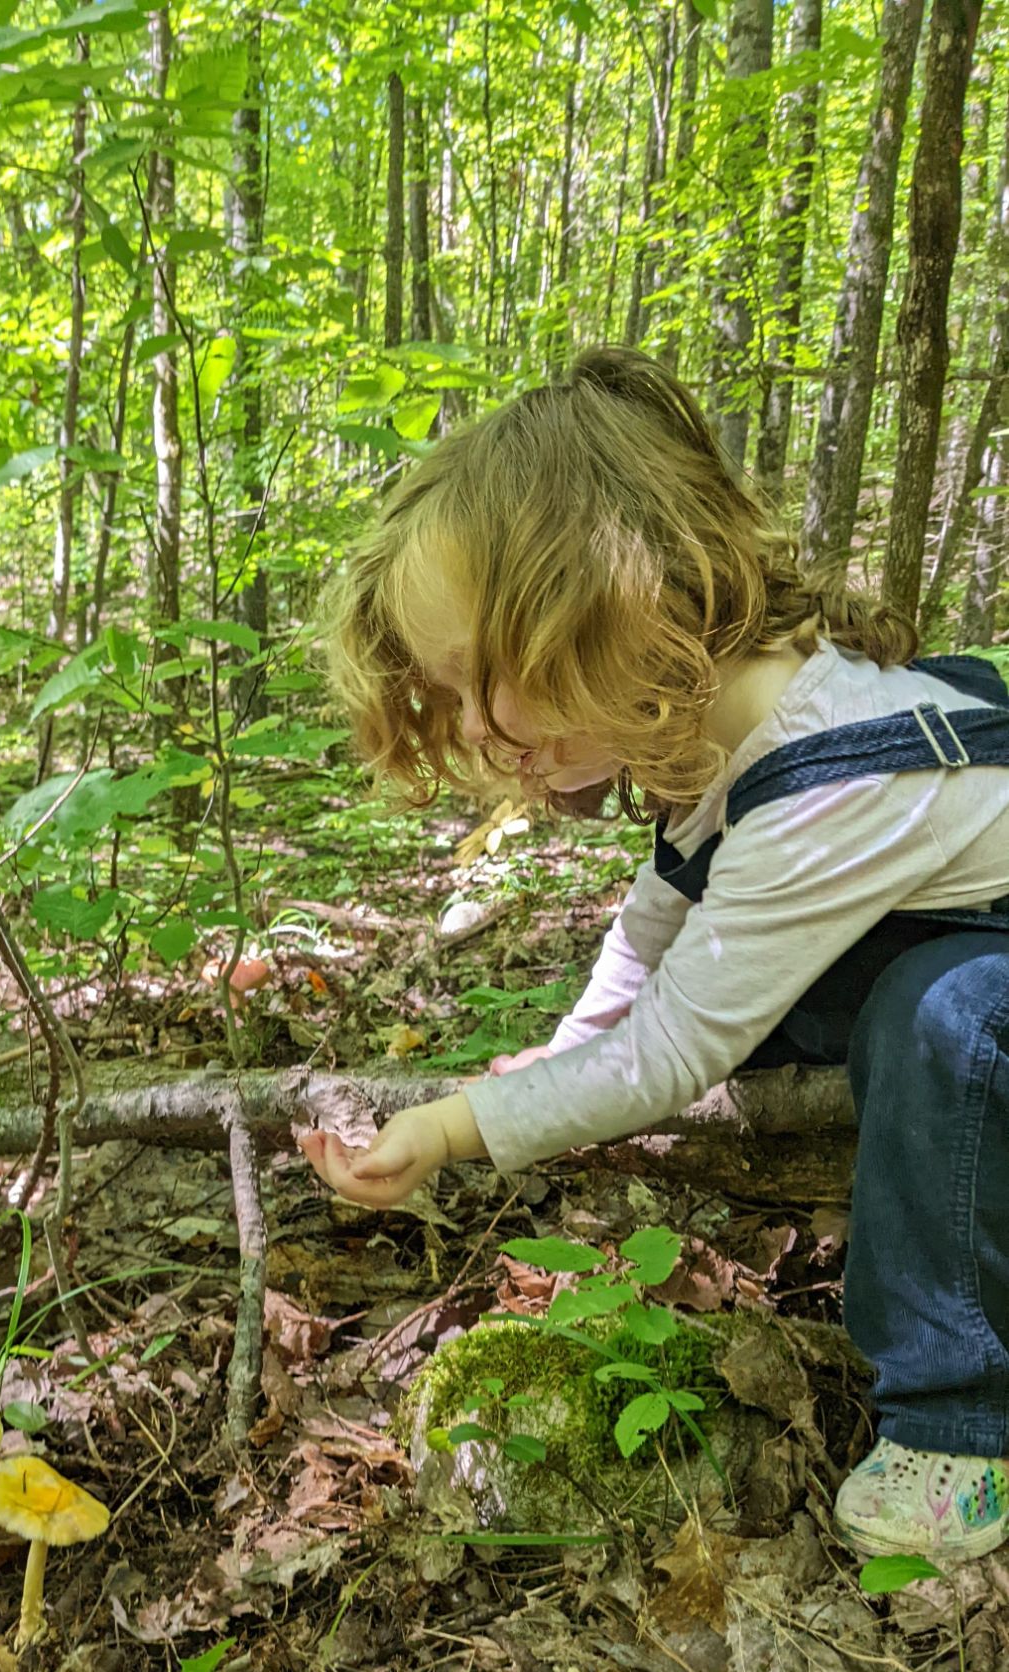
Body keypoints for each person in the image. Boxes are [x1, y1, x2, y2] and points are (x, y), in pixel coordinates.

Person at [301, 346, 1009, 1563]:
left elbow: (675, 1048)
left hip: (980, 971)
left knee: (935, 1020)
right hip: (932, 927)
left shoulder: (820, 782)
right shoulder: (717, 742)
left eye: (487, 682)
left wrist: (458, 1124)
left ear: (619, 605)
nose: (476, 731)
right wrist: (557, 1062)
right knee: (885, 995)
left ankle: (957, 1417)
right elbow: (651, 936)